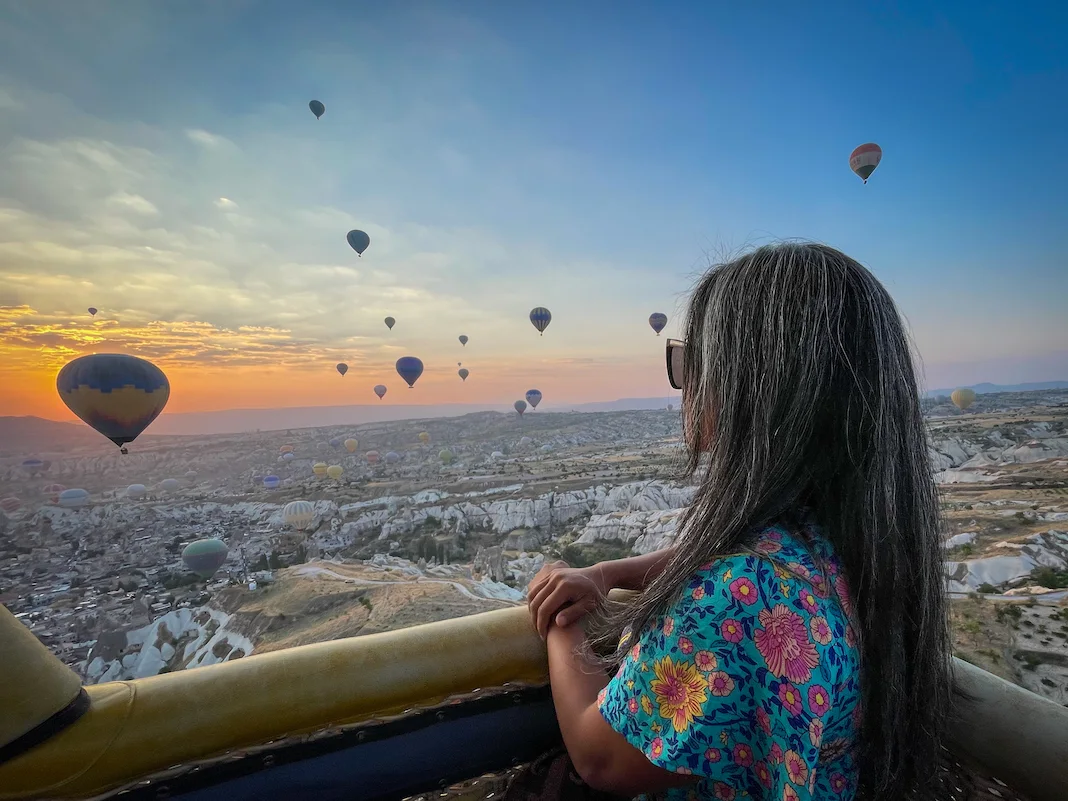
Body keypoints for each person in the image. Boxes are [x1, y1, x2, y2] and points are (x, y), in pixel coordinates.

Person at [527, 242, 950, 801]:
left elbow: (602, 757)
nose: (682, 385)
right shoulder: (859, 540)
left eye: (688, 361)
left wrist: (561, 619)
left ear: (749, 383)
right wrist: (610, 573)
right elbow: (748, 554)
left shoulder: (736, 598)